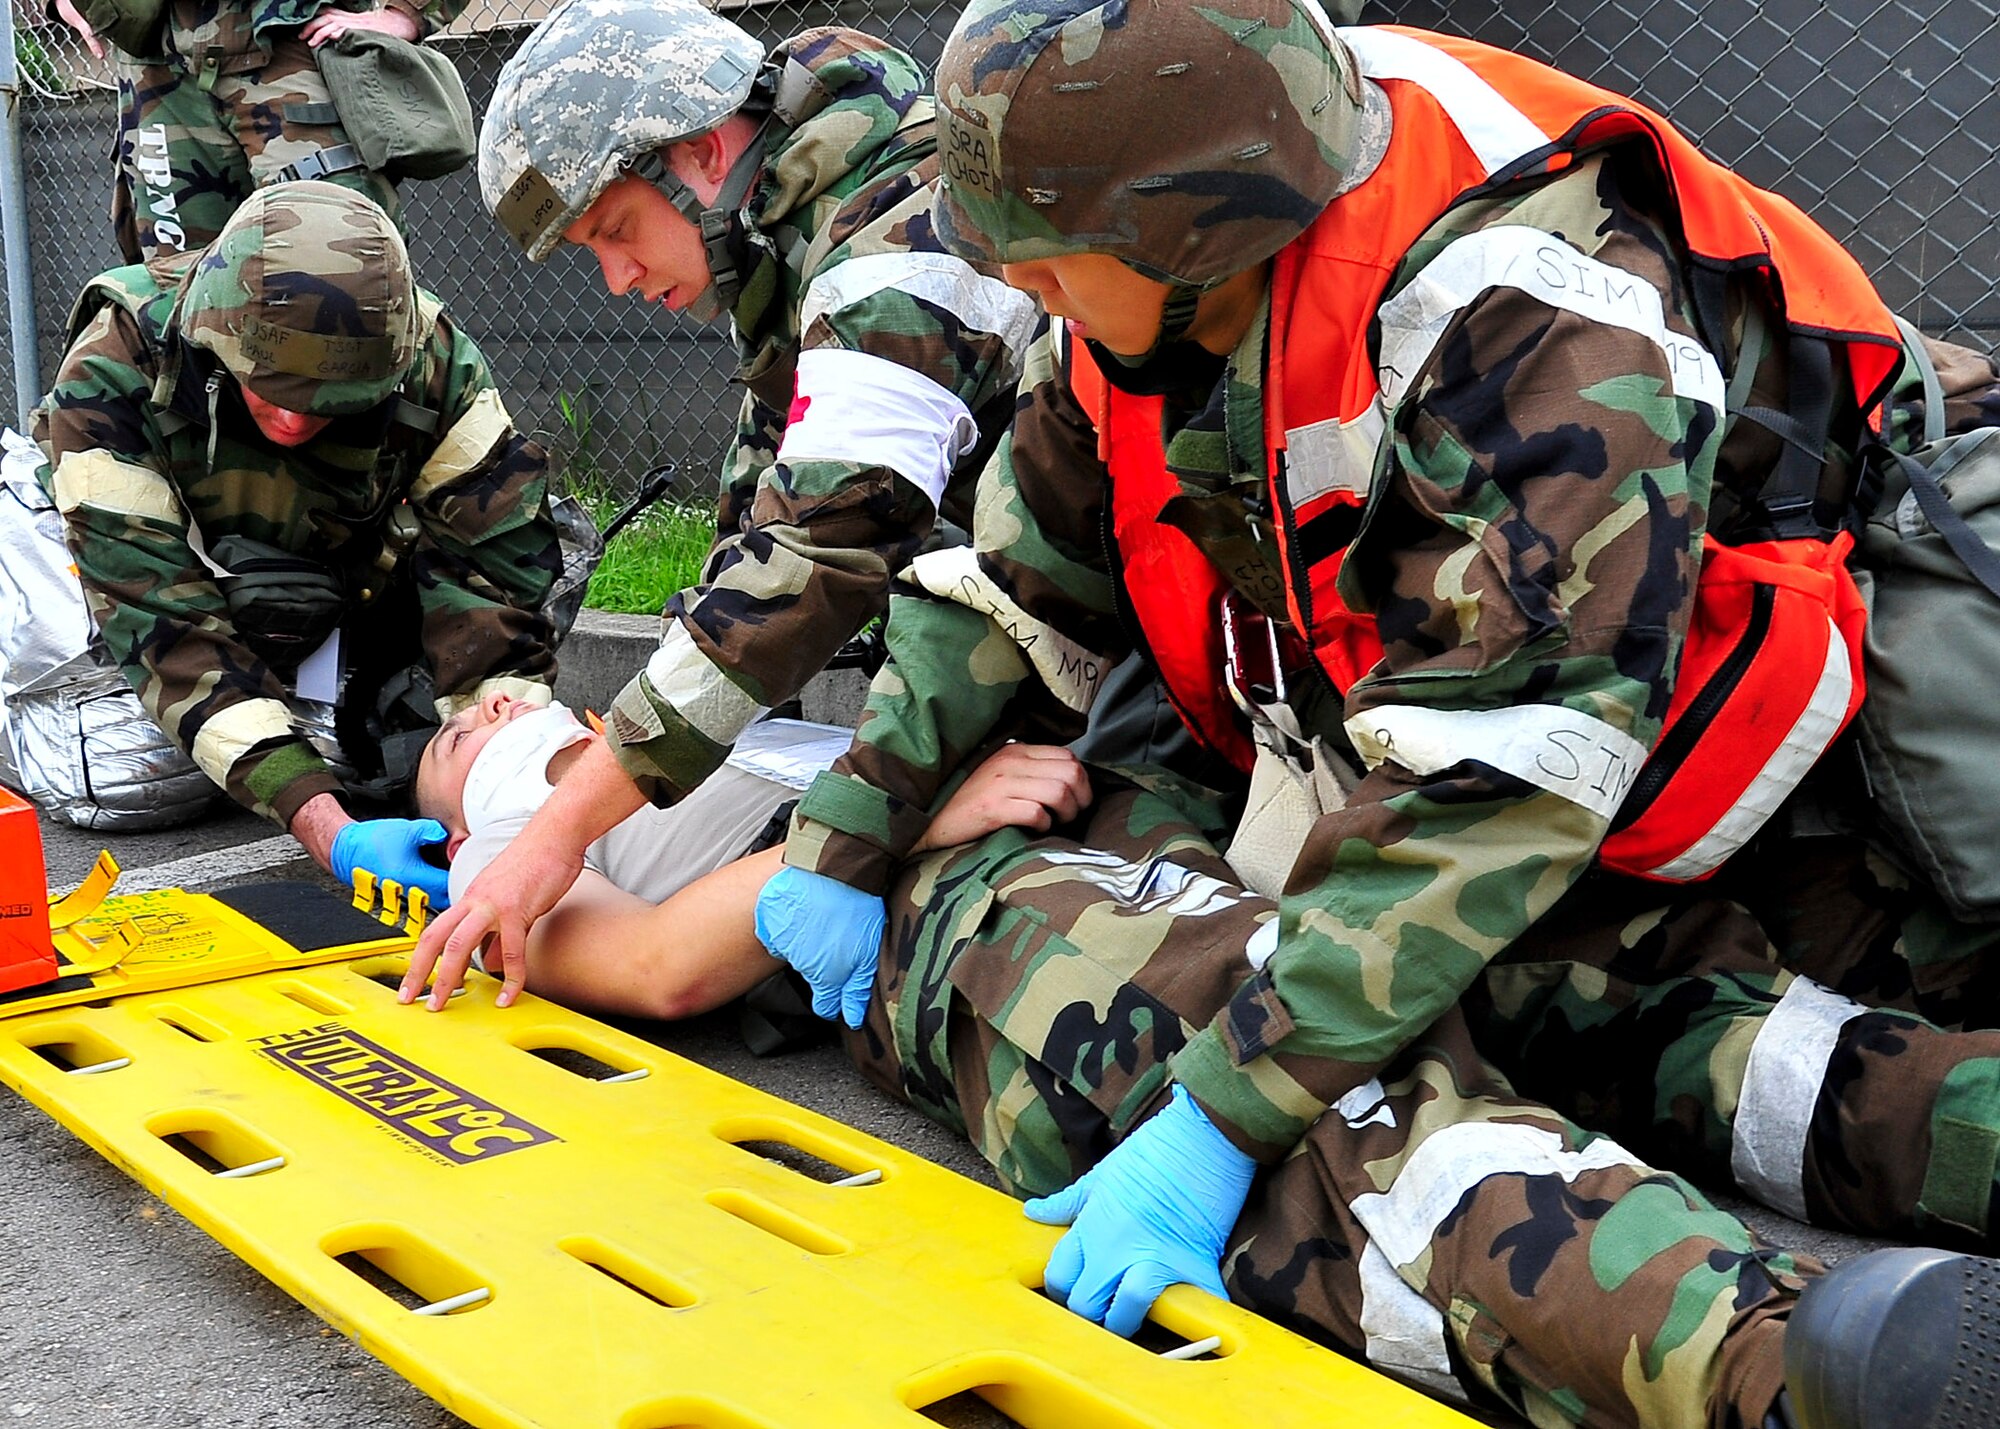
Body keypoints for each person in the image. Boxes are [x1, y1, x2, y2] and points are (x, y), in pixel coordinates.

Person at [755, 5, 2000, 1426]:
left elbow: (1504, 768)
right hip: (1571, 798)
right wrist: (846, 835)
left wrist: (1221, 1116)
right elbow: (1021, 579)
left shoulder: (1528, 299)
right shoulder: (1139, 286)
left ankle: (1797, 1380)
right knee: (1649, 1033)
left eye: (1038, 247)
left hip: (1781, 795)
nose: (1016, 282)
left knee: (1604, 1048)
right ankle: (1809, 1367)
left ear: (1189, 234)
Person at [405, 0, 1039, 1011]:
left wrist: (556, 835)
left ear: (702, 155)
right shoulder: (797, 267)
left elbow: (801, 565)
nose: (616, 280)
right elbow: (745, 556)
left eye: (615, 230)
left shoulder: (894, 257)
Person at [33, 179, 563, 904]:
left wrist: (510, 796)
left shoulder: (433, 364)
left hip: (338, 579)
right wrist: (330, 830)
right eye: (267, 387)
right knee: (121, 776)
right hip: (168, 586)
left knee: (557, 539)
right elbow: (165, 622)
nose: (289, 422)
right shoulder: (117, 366)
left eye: (326, 405)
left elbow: (490, 577)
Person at [410, 689, 1091, 1022]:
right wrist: (901, 818)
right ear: (457, 839)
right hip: (918, 872)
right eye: (455, 734)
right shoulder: (498, 850)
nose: (491, 701)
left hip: (1002, 788)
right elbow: (655, 966)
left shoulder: (675, 729)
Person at [51, 0, 448, 263]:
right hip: (153, 64)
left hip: (288, 41)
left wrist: (411, 11)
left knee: (343, 274)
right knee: (177, 295)